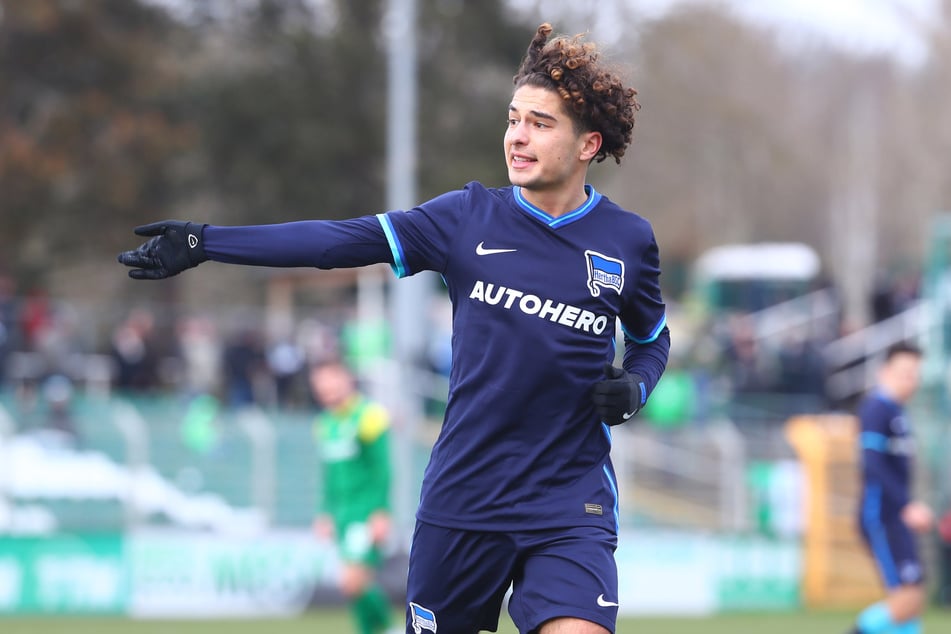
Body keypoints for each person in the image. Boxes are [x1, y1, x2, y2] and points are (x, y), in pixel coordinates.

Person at [118, 22, 670, 634]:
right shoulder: (465, 218)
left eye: (540, 124)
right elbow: (336, 241)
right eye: (513, 119)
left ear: (589, 144)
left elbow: (652, 340)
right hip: (465, 496)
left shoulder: (627, 241)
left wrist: (636, 387)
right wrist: (207, 242)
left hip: (571, 497)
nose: (517, 137)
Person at [848, 342, 933, 634]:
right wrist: (907, 504)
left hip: (896, 516)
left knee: (913, 597)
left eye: (914, 373)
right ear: (885, 372)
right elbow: (871, 464)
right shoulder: (876, 408)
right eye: (904, 372)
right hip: (881, 515)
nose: (910, 379)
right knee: (907, 597)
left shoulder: (899, 413)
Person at [309, 358, 395, 634]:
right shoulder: (325, 424)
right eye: (321, 389)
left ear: (346, 380)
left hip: (365, 510)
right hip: (342, 514)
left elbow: (382, 469)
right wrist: (325, 512)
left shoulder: (369, 416)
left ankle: (391, 628)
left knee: (352, 582)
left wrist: (381, 511)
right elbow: (329, 476)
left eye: (331, 385)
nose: (327, 393)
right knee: (356, 588)